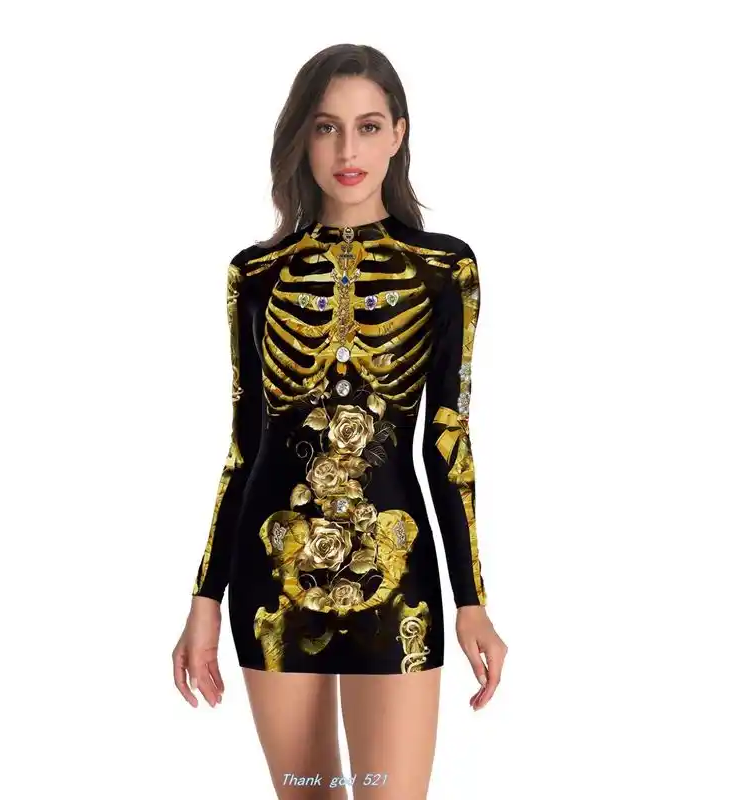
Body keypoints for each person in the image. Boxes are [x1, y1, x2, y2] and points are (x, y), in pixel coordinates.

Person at [173, 43, 508, 799]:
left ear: (398, 134)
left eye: (367, 126)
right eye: (326, 127)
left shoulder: (444, 269)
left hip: (399, 580)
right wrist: (205, 599)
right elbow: (244, 446)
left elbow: (447, 443)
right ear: (302, 137)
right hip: (273, 579)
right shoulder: (255, 274)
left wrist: (471, 600)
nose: (347, 151)